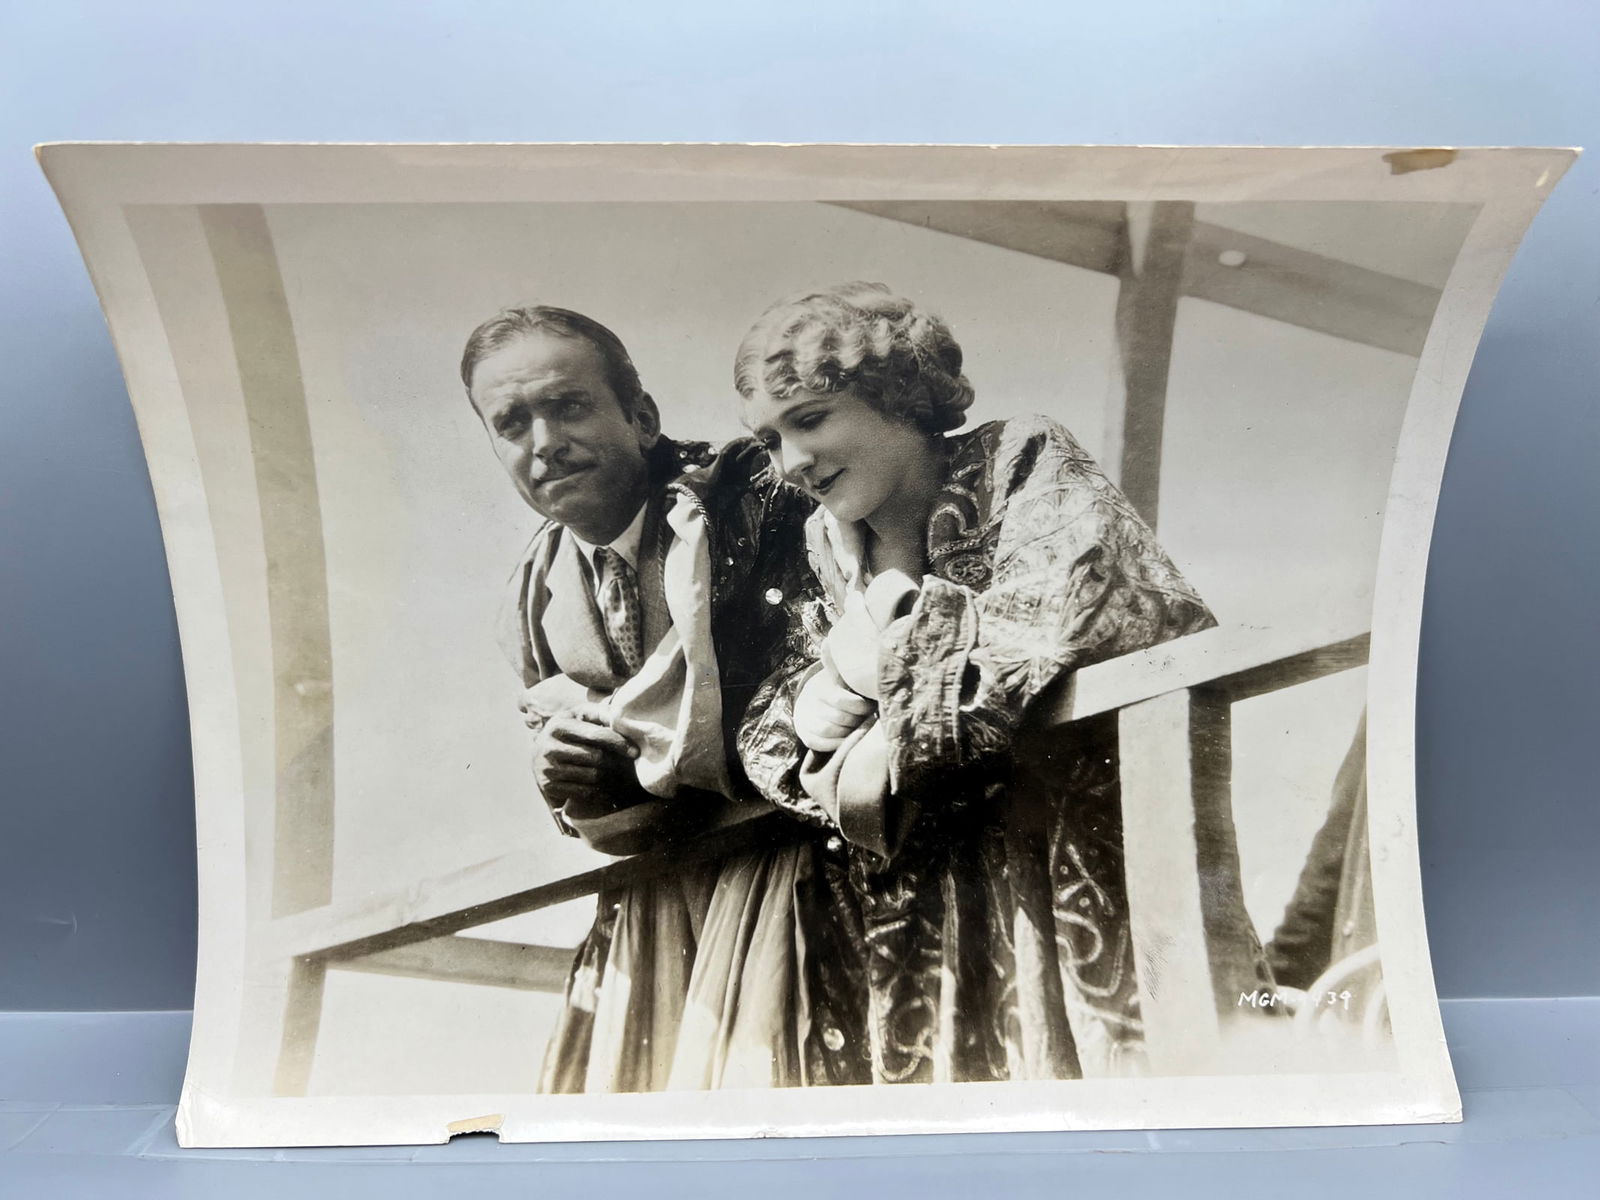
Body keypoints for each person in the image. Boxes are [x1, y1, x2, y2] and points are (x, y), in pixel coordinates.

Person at [735, 282, 1270, 1085]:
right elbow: (769, 727)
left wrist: (859, 674)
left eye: (811, 419)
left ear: (900, 398)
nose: (792, 462)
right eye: (771, 439)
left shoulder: (1019, 459)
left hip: (1058, 853)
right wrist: (837, 698)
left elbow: (1062, 615)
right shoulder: (822, 543)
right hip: (920, 901)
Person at [462, 306, 814, 1093]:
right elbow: (599, 799)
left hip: (797, 877)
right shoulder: (534, 593)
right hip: (661, 907)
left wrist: (637, 756)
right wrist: (568, 775)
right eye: (511, 423)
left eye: (570, 406)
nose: (543, 442)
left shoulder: (754, 501)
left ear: (642, 417)